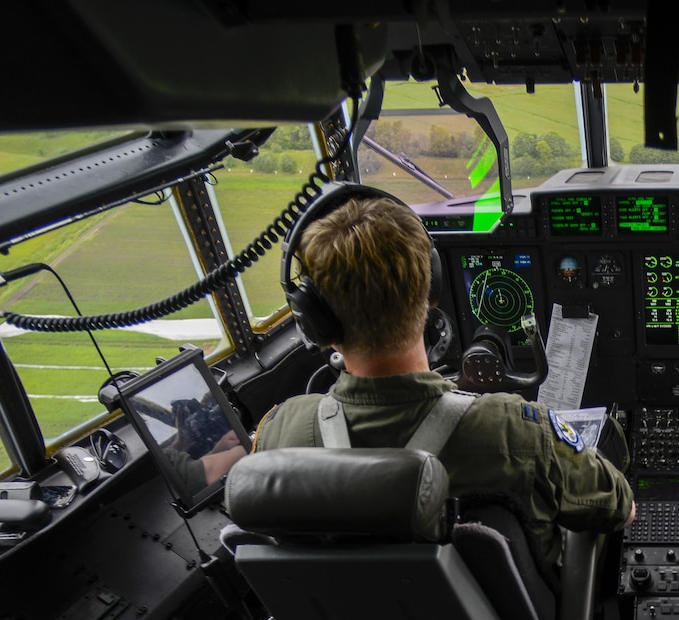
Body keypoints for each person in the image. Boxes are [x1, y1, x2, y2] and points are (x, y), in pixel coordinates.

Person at [251, 190, 634, 571]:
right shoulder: (518, 433)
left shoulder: (278, 435)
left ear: (317, 322)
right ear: (432, 289)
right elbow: (620, 508)